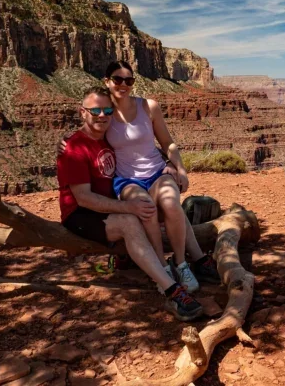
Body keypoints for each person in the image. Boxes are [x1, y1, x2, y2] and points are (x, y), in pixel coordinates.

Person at [57, 85, 203, 321]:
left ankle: (189, 260)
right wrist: (128, 208)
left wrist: (167, 164)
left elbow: (139, 147)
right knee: (130, 222)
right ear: (82, 112)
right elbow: (83, 198)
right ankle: (171, 288)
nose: (102, 115)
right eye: (95, 111)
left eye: (106, 110)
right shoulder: (74, 148)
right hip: (81, 214)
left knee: (166, 202)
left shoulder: (106, 137)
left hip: (106, 204)